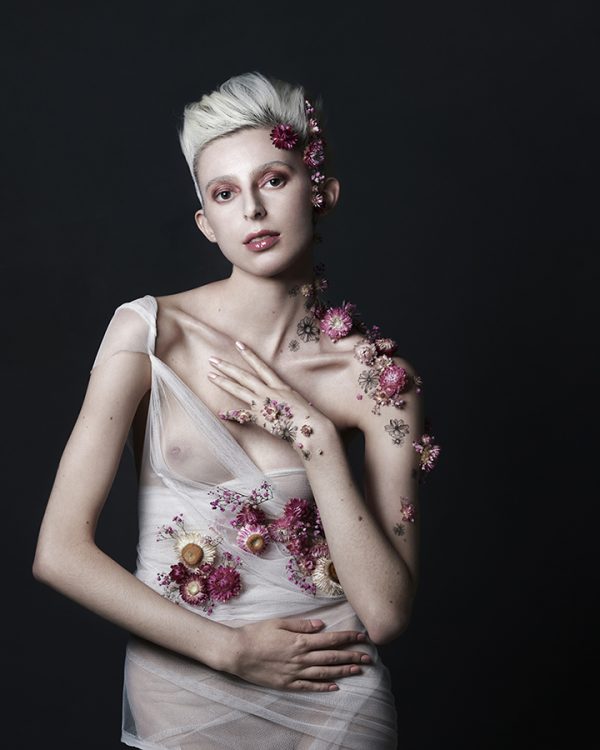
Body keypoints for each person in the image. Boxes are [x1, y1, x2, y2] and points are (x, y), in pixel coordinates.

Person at [33, 71, 440, 749]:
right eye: (225, 193)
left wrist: (314, 440)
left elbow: (387, 613)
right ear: (207, 223)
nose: (251, 210)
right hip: (186, 687)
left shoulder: (377, 382)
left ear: (321, 192)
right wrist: (226, 650)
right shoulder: (151, 333)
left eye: (273, 180)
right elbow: (60, 552)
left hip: (332, 692)